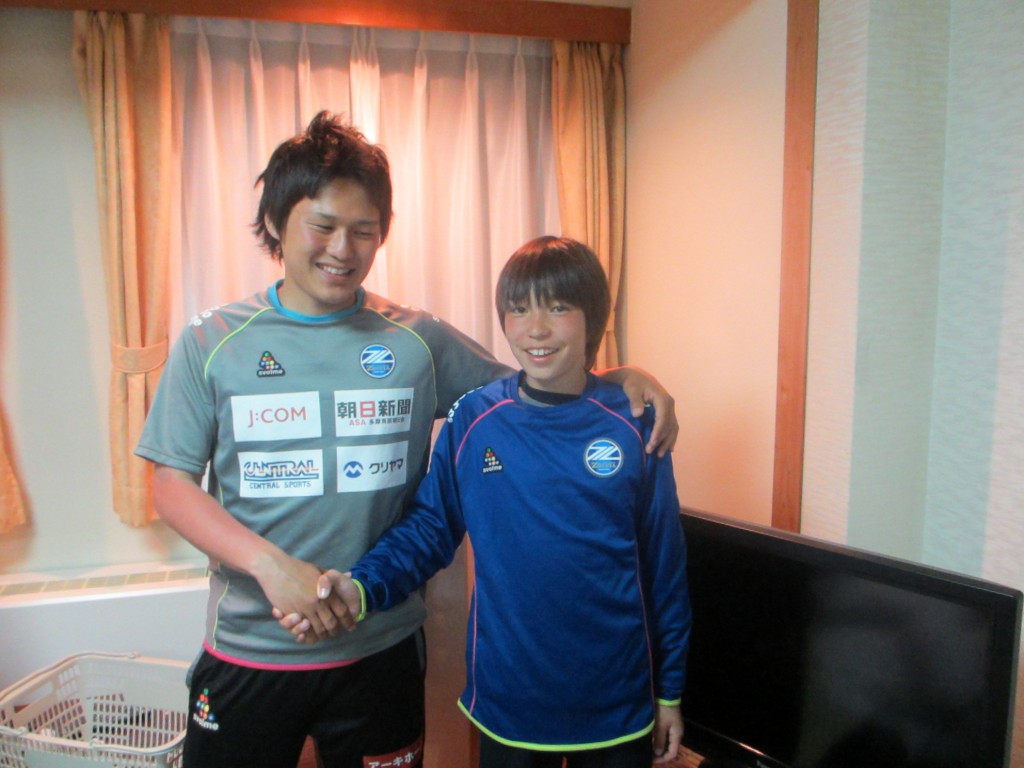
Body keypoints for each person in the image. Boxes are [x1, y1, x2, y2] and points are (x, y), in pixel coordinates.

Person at [135, 112, 678, 768]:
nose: (343, 249)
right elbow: (170, 485)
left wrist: (619, 378)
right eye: (323, 226)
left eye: (363, 231)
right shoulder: (212, 340)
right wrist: (270, 566)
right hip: (252, 647)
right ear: (276, 221)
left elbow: (535, 388)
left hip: (380, 647)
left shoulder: (419, 340)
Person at [298, 236, 692, 767]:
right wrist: (361, 586)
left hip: (616, 700)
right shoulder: (474, 419)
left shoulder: (635, 423)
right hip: (509, 698)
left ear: (593, 318)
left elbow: (665, 568)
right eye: (519, 309)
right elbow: (428, 530)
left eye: (558, 307)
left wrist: (670, 692)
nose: (536, 328)